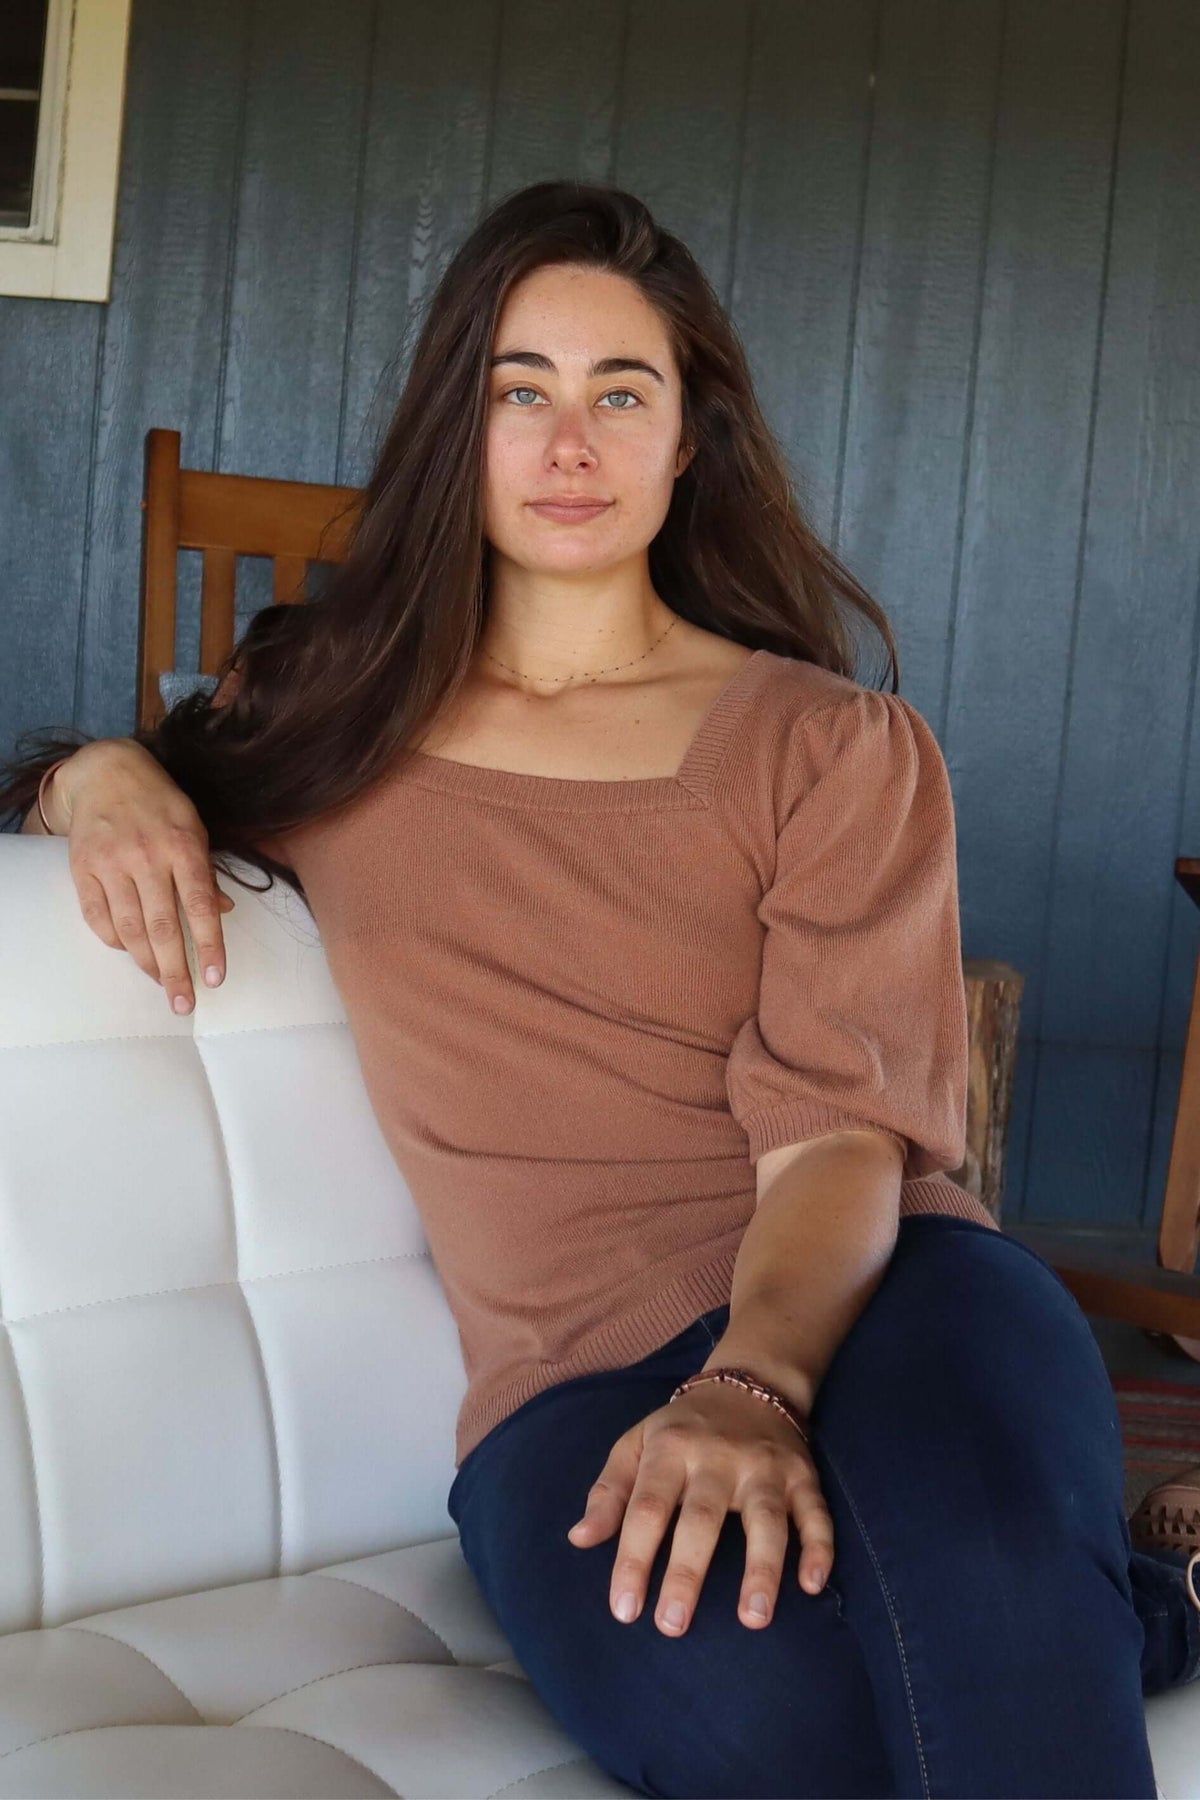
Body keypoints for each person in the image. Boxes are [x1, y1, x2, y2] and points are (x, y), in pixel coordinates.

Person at [4, 180, 1198, 1798]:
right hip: (568, 1382)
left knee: (984, 1580)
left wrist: (750, 1386)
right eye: (521, 392)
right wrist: (98, 778)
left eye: (620, 393)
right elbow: (117, 781)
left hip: (886, 1295)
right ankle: (1147, 1604)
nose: (571, 442)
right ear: (462, 427)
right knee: (791, 1723)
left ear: (689, 435)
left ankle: (1075, 1583)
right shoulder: (329, 710)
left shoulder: (827, 746)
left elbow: (844, 1138)